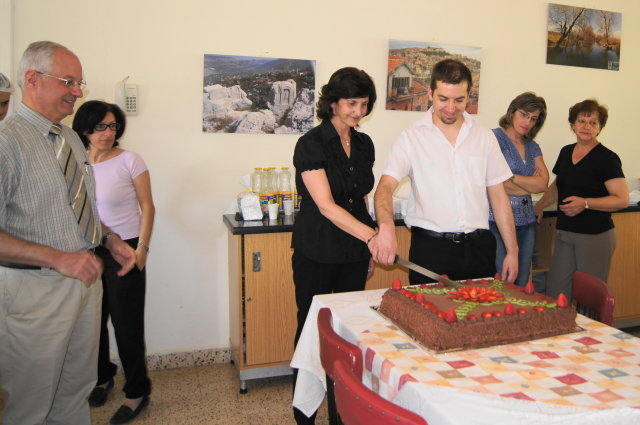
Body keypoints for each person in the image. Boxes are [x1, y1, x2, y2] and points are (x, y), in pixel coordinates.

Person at [0, 41, 135, 425]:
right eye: (69, 81)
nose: (78, 91)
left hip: (83, 283)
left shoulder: (71, 140)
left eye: (80, 82)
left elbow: (82, 208)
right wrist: (58, 258)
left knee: (76, 392)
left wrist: (108, 239)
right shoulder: (6, 142)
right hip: (34, 291)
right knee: (31, 404)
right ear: (33, 79)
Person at [373, 59, 519, 284]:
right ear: (430, 93)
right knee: (427, 318)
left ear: (468, 96)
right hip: (431, 251)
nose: (451, 108)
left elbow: (498, 197)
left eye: (459, 100)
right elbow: (384, 188)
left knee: (481, 318)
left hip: (480, 249)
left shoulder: (484, 136)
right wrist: (386, 228)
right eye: (443, 99)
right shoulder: (411, 138)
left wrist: (513, 250)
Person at [291, 67, 378, 424]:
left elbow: (362, 199)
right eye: (351, 103)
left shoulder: (364, 143)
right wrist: (371, 237)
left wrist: (367, 243)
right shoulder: (311, 143)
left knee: (346, 329)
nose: (358, 111)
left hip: (353, 251)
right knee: (311, 328)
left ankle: (343, 408)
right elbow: (327, 206)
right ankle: (304, 410)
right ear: (333, 103)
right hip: (317, 249)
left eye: (365, 104)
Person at [73, 101, 155, 424]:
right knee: (91, 322)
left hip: (126, 251)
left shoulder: (130, 160)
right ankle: (103, 376)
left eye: (112, 126)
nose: (107, 133)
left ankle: (137, 392)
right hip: (87, 248)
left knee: (126, 323)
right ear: (84, 129)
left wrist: (143, 251)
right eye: (99, 127)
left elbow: (147, 207)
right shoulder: (75, 161)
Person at [534, 99, 628, 302]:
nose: (586, 126)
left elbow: (622, 200)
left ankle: (593, 334)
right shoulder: (566, 152)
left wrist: (585, 202)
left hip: (596, 236)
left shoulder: (606, 158)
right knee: (556, 292)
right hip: (566, 233)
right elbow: (558, 185)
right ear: (573, 124)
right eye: (582, 120)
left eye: (593, 122)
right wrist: (539, 206)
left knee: (591, 298)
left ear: (600, 128)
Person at [489, 92, 549, 287]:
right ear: (512, 112)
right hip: (495, 222)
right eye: (524, 114)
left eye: (533, 119)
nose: (528, 122)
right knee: (501, 278)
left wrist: (512, 176)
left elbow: (542, 184)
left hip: (528, 222)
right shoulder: (493, 138)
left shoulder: (532, 146)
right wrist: (528, 186)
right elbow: (498, 184)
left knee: (521, 281)